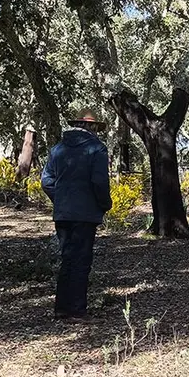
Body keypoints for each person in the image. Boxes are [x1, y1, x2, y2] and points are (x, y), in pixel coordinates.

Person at [40, 109, 112, 321]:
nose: (97, 132)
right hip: (85, 214)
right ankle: (77, 310)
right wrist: (104, 204)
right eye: (95, 127)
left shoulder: (57, 149)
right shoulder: (97, 149)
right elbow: (99, 182)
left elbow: (46, 181)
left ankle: (61, 308)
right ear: (90, 127)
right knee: (81, 260)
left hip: (63, 214)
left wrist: (61, 199)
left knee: (67, 259)